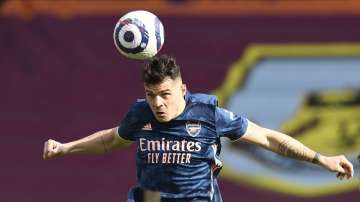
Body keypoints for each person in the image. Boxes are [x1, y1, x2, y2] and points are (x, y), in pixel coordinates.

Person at [43, 55, 354, 202]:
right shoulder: (140, 114)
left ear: (182, 89)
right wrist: (66, 147)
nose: (158, 103)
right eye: (152, 95)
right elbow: (112, 139)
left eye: (165, 94)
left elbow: (269, 138)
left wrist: (320, 159)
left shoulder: (207, 113)